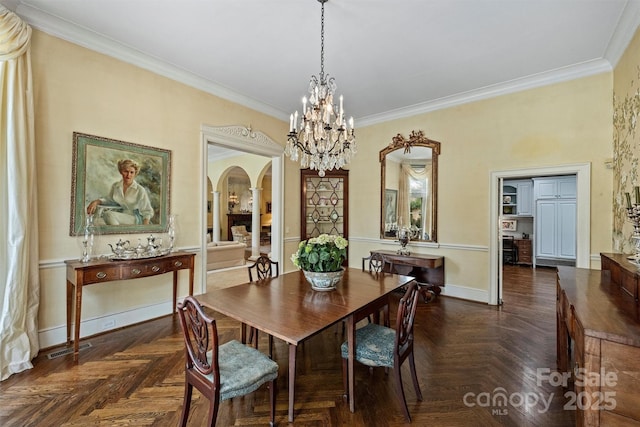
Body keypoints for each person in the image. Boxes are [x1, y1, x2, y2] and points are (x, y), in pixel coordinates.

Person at [86, 159, 154, 225]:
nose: (128, 175)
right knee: (100, 219)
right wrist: (96, 202)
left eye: (131, 172)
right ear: (121, 171)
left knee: (108, 214)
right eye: (126, 171)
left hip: (135, 219)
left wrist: (144, 229)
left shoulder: (140, 190)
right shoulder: (116, 186)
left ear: (135, 173)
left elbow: (147, 211)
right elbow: (109, 200)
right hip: (120, 216)